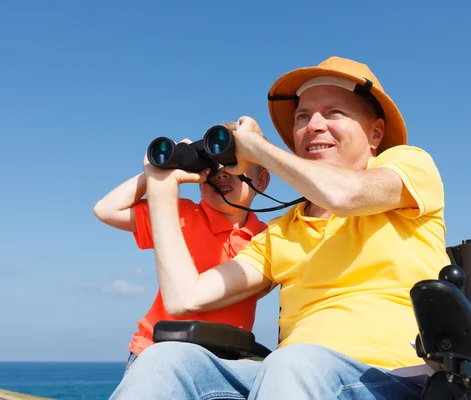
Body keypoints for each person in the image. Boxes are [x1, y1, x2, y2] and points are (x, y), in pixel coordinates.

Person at [110, 56, 450, 399]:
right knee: (164, 361)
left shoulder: (409, 166)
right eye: (303, 116)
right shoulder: (279, 233)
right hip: (286, 377)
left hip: (388, 378)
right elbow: (185, 298)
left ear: (376, 132)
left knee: (293, 362)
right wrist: (161, 187)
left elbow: (345, 195)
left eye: (334, 113)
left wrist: (255, 146)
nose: (313, 125)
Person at [93, 122, 271, 375]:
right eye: (211, 168)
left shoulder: (268, 237)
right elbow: (106, 210)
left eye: (232, 164)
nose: (220, 174)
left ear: (261, 180)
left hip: (226, 361)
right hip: (157, 350)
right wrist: (157, 174)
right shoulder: (179, 213)